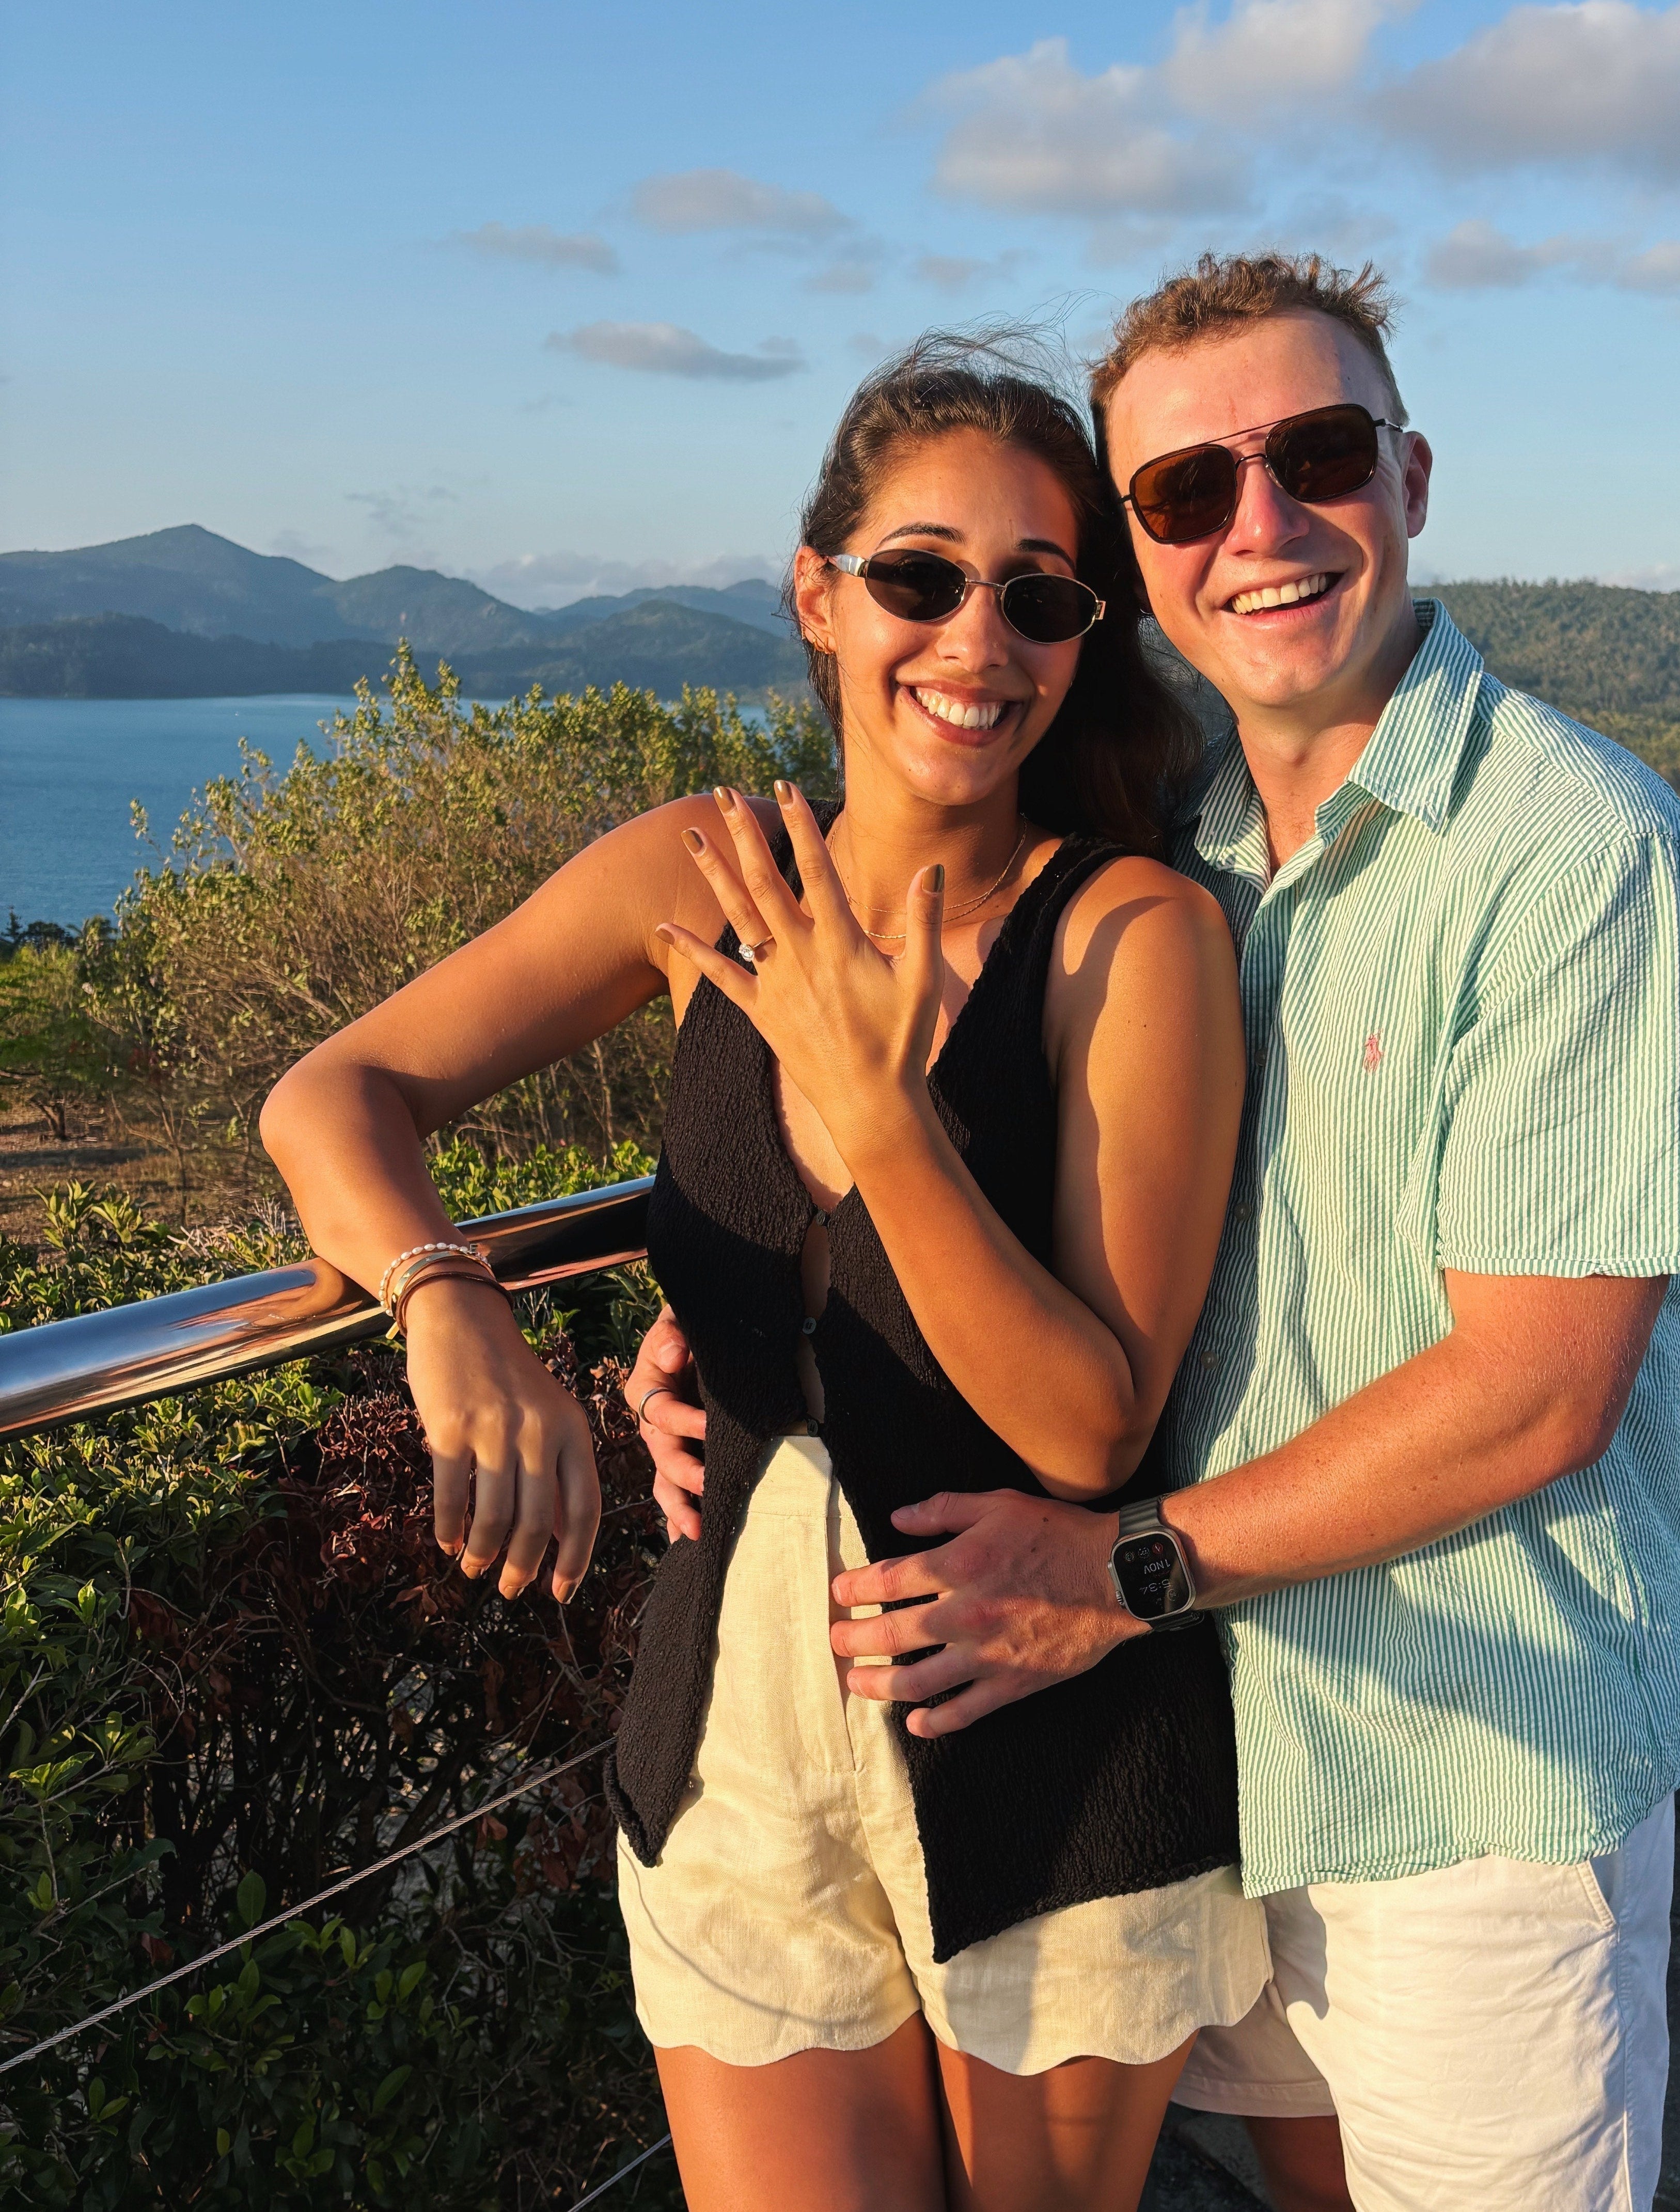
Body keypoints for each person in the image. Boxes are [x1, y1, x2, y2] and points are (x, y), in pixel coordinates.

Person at [631, 254, 1680, 2212]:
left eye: (1313, 453)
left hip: (1453, 1762)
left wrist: (1129, 1562)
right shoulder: (1201, 837)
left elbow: (1536, 1389)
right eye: (1180, 494)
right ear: (1145, 562)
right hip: (1232, 1739)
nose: (1260, 523)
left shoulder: (1577, 857)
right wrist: (750, 1340)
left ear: (1407, 475)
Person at [259, 335, 1275, 2212]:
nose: (975, 642)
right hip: (730, 1735)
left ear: (1081, 639)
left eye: (1039, 598)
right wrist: (448, 1299)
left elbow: (1089, 1420)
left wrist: (883, 1117)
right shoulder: (702, 868)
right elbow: (338, 1090)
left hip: (1040, 1746)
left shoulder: (1130, 938)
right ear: (819, 594)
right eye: (918, 577)